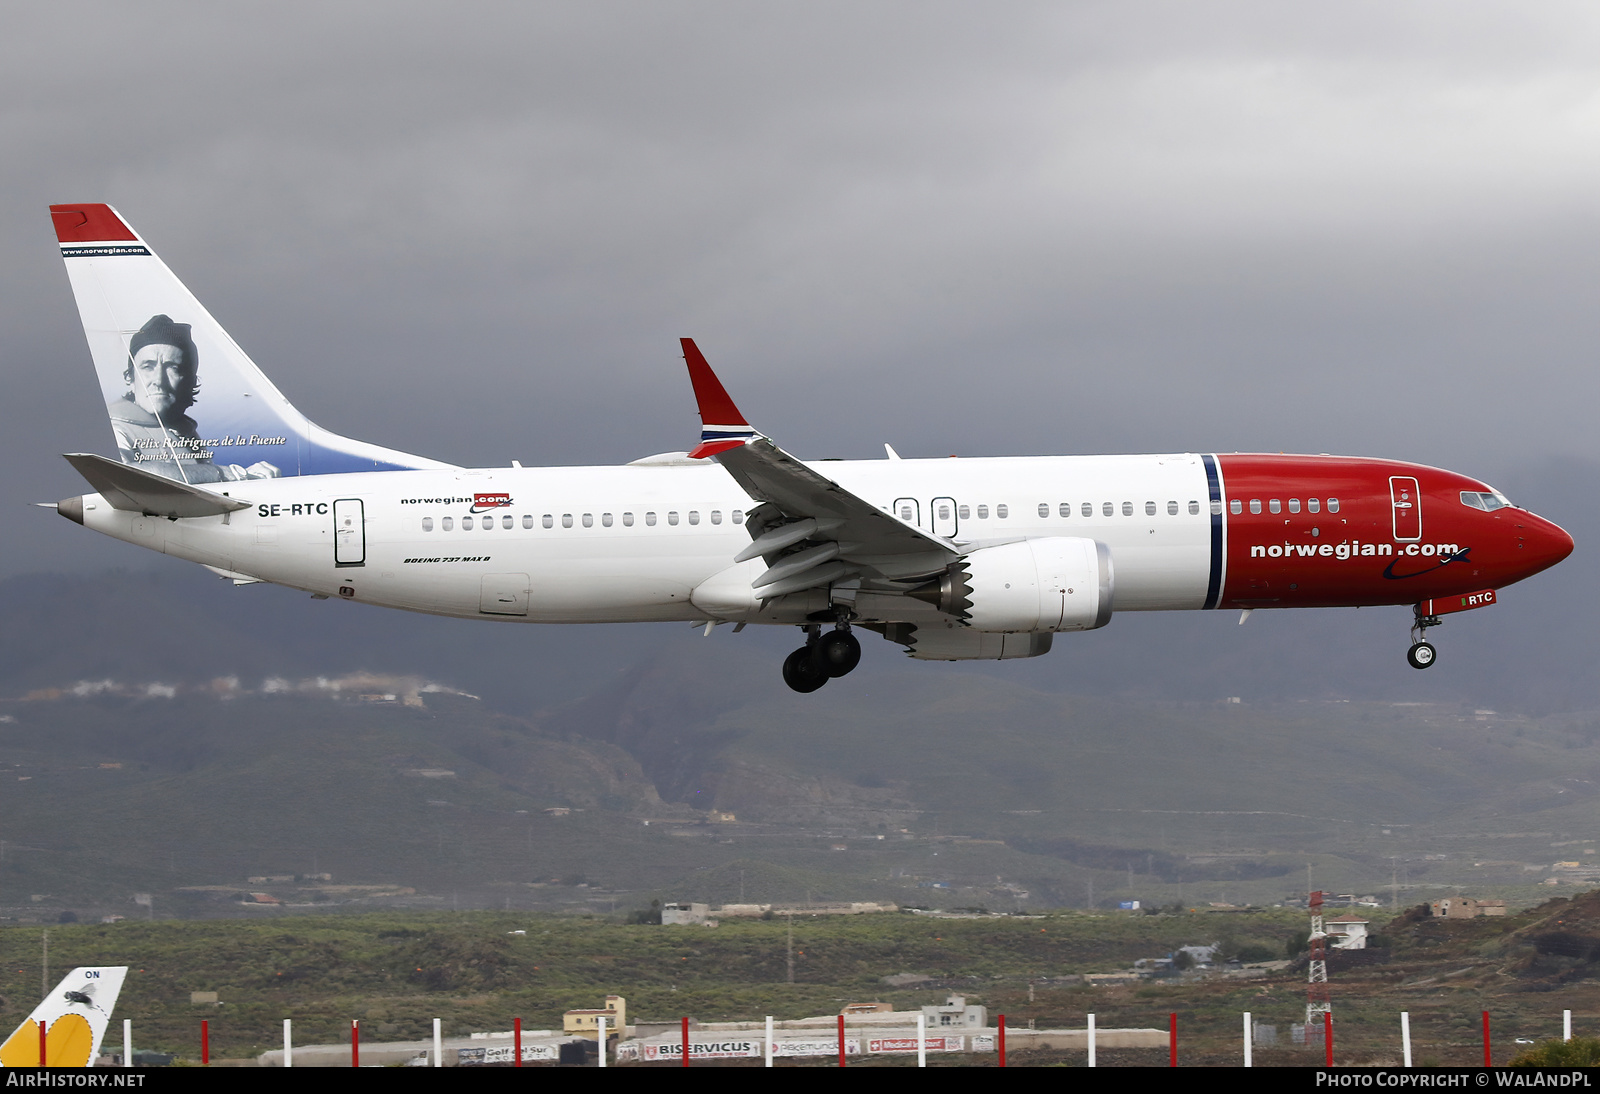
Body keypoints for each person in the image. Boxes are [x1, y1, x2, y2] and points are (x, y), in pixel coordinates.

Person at [107, 314, 277, 482]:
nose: (159, 380)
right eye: (147, 367)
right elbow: (120, 474)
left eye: (172, 367)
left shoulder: (185, 432)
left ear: (190, 381)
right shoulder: (115, 429)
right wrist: (229, 474)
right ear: (130, 378)